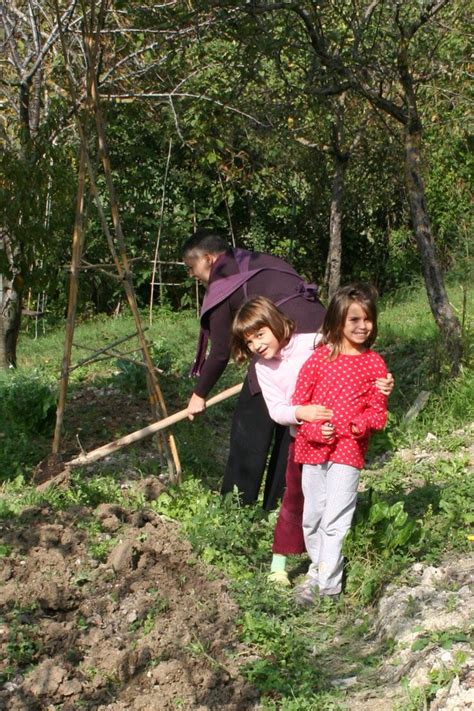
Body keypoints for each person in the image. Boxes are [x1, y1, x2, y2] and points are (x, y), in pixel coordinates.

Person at [230, 295, 393, 587]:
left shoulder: (313, 343)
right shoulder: (262, 367)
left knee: (333, 507)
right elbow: (278, 410)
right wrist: (301, 412)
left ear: (275, 323)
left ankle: (324, 575)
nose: (256, 345)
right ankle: (289, 564)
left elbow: (354, 354)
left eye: (259, 335)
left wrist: (381, 384)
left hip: (344, 442)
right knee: (299, 503)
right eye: (249, 342)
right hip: (302, 440)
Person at [182, 229, 326, 511]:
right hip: (320, 340)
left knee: (251, 424)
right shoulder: (255, 261)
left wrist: (199, 395)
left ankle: (234, 508)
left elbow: (221, 351)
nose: (192, 275)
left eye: (191, 268)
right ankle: (281, 508)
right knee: (294, 426)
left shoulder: (223, 281)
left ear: (209, 259)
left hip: (293, 342)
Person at [291, 283, 388, 604]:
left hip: (348, 451)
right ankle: (318, 572)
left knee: (336, 517)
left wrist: (359, 425)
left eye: (368, 320)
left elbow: (378, 413)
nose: (363, 327)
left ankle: (328, 585)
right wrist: (316, 430)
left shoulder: (374, 364)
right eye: (354, 321)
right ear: (336, 323)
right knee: (313, 514)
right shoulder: (318, 360)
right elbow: (300, 404)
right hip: (313, 447)